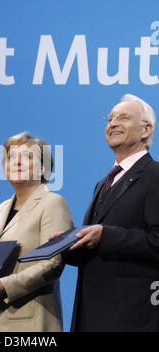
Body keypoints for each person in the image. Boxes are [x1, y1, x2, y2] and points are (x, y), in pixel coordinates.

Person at [63, 94, 159, 331]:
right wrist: (67, 245)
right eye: (110, 119)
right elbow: (95, 246)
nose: (113, 124)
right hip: (92, 312)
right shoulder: (103, 183)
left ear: (146, 130)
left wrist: (105, 236)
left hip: (130, 315)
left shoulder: (155, 176)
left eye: (124, 118)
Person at [0, 132, 74, 332]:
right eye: (11, 158)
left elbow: (53, 263)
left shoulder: (52, 203)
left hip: (26, 321)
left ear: (43, 168)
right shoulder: (1, 209)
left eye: (27, 157)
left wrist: (6, 286)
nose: (16, 162)